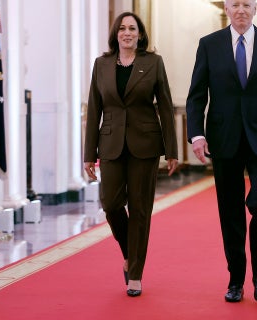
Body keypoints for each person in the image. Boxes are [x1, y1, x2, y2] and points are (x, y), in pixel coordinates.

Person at [186, 0, 257, 303]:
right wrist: (196, 135)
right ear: (227, 9)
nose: (241, 9)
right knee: (230, 212)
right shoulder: (209, 45)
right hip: (224, 139)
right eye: (235, 4)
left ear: (255, 8)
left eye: (247, 4)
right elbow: (196, 96)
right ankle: (236, 279)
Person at [83, 12, 178, 297]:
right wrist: (89, 154)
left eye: (132, 28)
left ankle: (135, 273)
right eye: (122, 28)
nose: (127, 33)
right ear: (116, 33)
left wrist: (172, 150)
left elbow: (164, 106)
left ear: (140, 34)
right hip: (110, 143)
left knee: (139, 210)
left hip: (144, 145)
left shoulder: (153, 62)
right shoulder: (101, 65)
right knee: (110, 204)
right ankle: (129, 253)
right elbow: (94, 109)